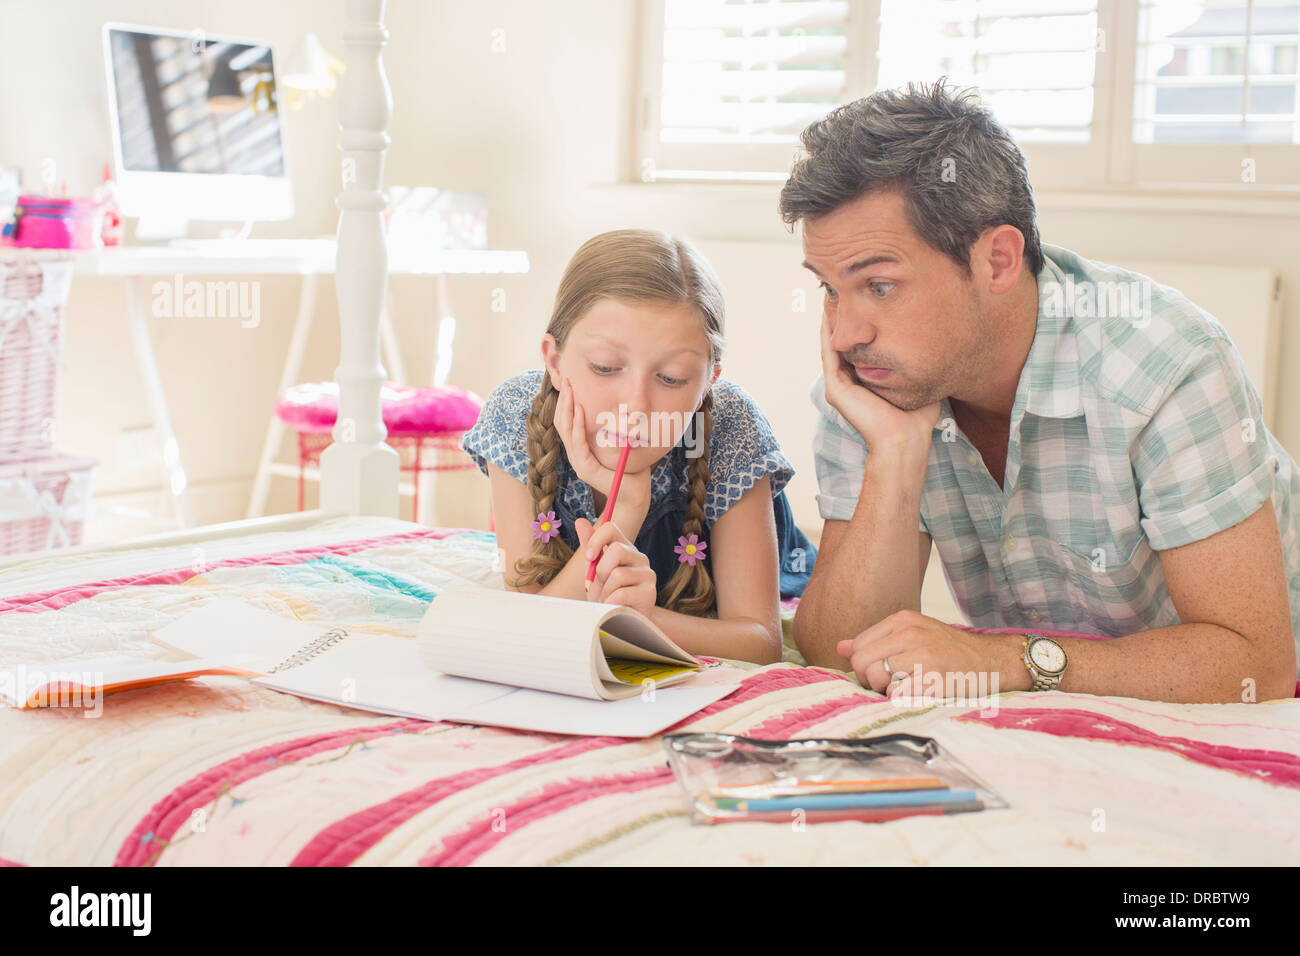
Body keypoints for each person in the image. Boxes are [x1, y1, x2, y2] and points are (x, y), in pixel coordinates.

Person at [784, 81, 1298, 703]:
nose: (846, 332)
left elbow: (1255, 666)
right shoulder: (874, 379)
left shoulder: (1166, 360)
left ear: (997, 261)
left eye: (881, 286)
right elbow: (842, 648)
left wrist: (1009, 658)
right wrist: (895, 456)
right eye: (830, 289)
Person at [462, 228, 817, 664]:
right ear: (554, 361)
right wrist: (626, 511)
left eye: (671, 378)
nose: (636, 406)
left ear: (708, 382)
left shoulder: (731, 425)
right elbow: (531, 620)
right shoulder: (515, 416)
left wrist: (636, 618)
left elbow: (760, 643)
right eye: (606, 367)